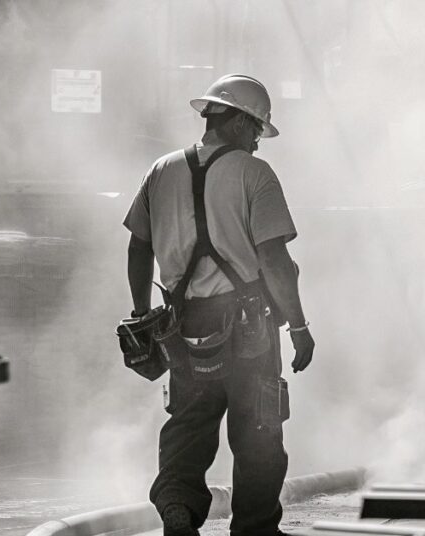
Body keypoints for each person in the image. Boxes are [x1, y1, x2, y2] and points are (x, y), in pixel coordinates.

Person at [124, 74, 315, 535]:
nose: (257, 142)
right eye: (256, 130)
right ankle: (254, 529)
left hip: (182, 328)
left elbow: (138, 247)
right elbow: (274, 260)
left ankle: (177, 509)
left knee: (187, 429)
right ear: (237, 122)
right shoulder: (255, 175)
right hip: (249, 328)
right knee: (259, 434)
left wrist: (141, 313)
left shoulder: (161, 169)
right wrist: (299, 326)